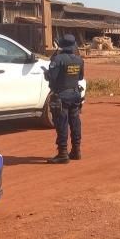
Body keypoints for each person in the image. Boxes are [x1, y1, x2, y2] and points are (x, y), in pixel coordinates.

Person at [44, 34, 85, 164]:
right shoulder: (79, 60)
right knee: (75, 122)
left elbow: (52, 77)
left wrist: (47, 74)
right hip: (75, 95)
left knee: (61, 123)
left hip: (61, 96)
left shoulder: (58, 59)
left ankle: (62, 153)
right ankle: (76, 150)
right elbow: (79, 77)